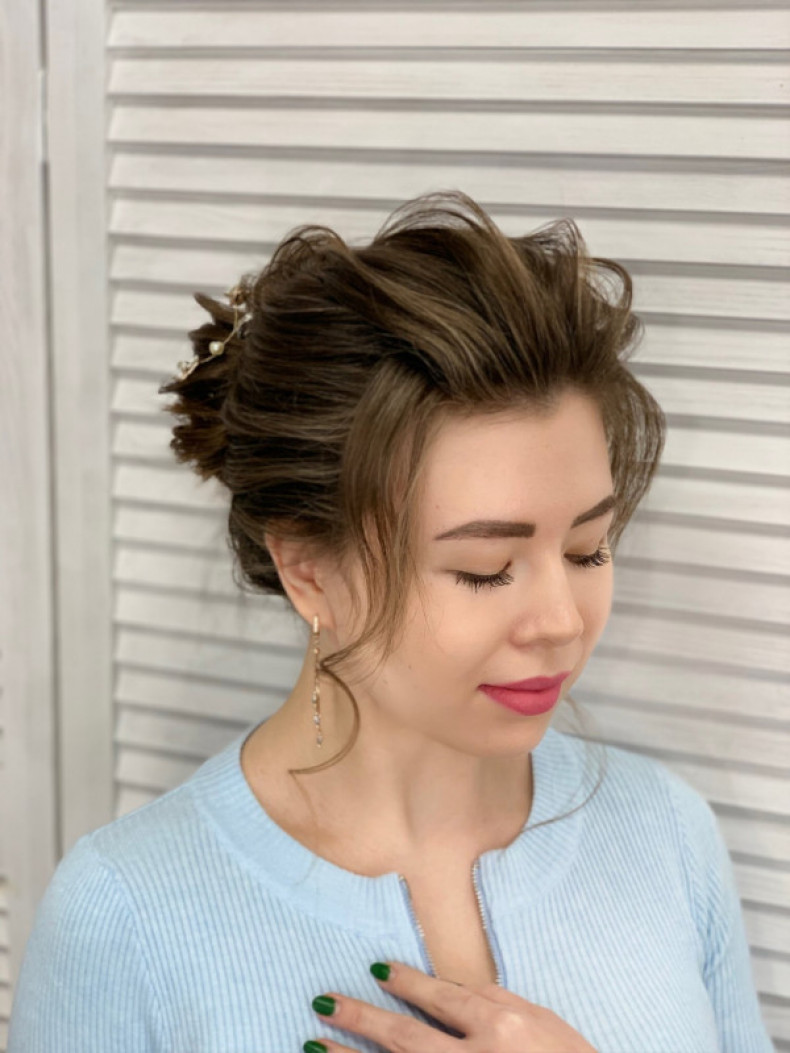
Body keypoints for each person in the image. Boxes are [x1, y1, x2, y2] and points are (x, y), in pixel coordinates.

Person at [8, 191, 774, 1052]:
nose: (561, 621)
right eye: (484, 568)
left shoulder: (665, 835)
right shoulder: (126, 915)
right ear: (309, 569)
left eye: (588, 549)